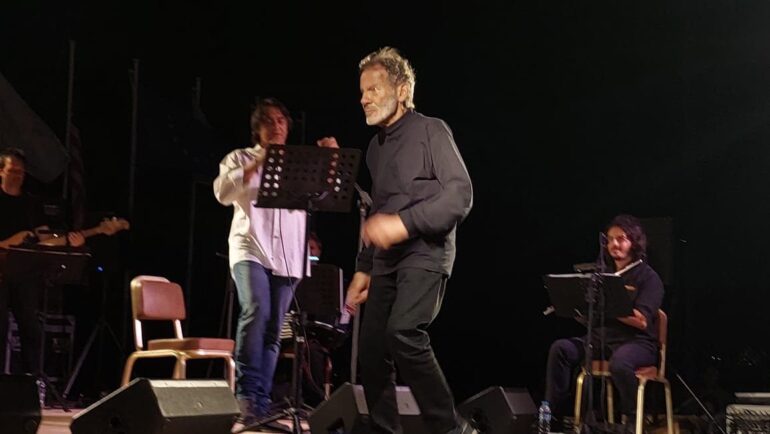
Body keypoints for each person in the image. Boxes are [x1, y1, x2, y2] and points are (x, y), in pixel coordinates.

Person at [344, 47, 473, 434]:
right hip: (386, 261)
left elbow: (460, 195)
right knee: (371, 349)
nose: (364, 98)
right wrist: (363, 269)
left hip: (426, 252)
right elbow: (379, 209)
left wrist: (403, 224)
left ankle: (451, 428)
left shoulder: (432, 130)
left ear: (401, 90)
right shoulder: (375, 148)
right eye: (361, 91)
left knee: (402, 332)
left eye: (373, 89)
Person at [213, 98, 338, 423]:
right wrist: (258, 162)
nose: (277, 125)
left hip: (289, 255)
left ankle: (261, 401)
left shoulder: (299, 163)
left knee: (273, 329)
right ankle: (246, 396)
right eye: (269, 120)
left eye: (281, 120)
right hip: (250, 248)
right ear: (258, 128)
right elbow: (222, 192)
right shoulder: (240, 157)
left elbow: (328, 196)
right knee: (256, 310)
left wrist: (331, 160)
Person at [544, 214, 664, 429]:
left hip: (637, 343)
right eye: (610, 239)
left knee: (620, 363)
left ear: (634, 242)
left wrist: (608, 308)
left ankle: (631, 421)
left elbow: (642, 322)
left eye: (621, 239)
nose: (614, 244)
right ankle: (552, 418)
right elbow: (593, 316)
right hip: (601, 339)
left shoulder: (649, 277)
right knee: (560, 349)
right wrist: (576, 307)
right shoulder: (601, 275)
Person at [0, 147, 84, 375]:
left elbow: (45, 240)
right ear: (1, 171)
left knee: (31, 327)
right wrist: (8, 242)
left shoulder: (31, 204)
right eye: (12, 170)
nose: (17, 175)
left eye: (21, 171)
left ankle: (33, 381)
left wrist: (71, 241)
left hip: (22, 273)